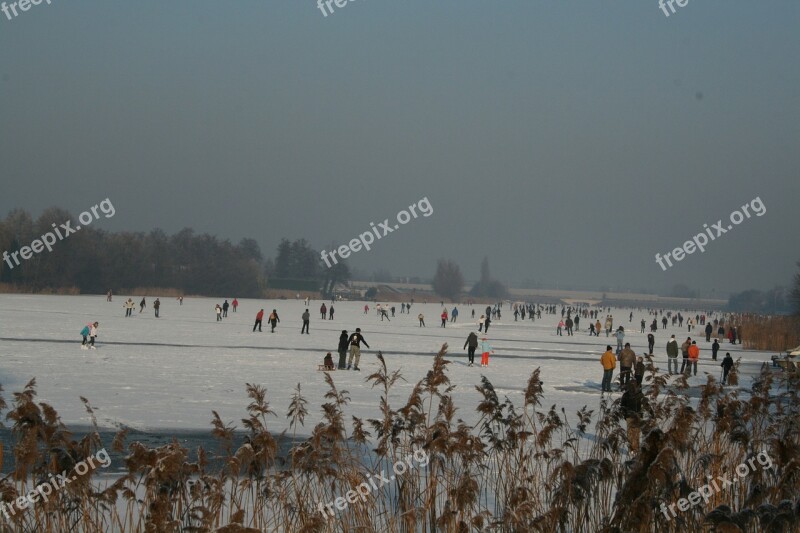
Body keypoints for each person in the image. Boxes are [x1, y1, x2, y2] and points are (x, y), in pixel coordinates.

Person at [620, 381, 646, 453]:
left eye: (634, 385)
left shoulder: (640, 395)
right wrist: (625, 415)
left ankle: (636, 448)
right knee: (630, 433)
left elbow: (645, 404)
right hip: (630, 416)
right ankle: (631, 449)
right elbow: (622, 406)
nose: (633, 387)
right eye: (631, 385)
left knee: (636, 433)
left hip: (637, 416)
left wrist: (651, 413)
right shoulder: (626, 395)